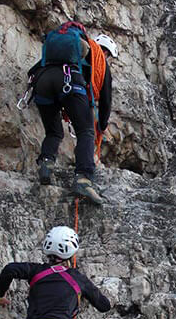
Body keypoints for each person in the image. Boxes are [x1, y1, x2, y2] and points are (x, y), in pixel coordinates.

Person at [27, 23, 116, 205]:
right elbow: (106, 99)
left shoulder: (60, 54)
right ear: (106, 52)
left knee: (54, 132)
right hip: (69, 82)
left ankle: (46, 164)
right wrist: (102, 125)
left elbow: (32, 71)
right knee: (86, 132)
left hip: (43, 82)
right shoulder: (99, 58)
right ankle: (83, 179)